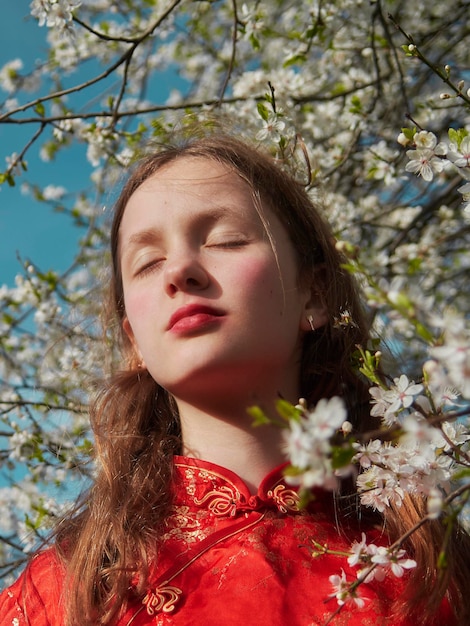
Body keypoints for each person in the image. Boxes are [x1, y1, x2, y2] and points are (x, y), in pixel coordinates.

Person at [1, 134, 468, 626]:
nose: (180, 271)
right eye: (148, 262)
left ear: (314, 293)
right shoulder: (64, 595)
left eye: (225, 240)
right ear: (133, 341)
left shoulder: (430, 567)